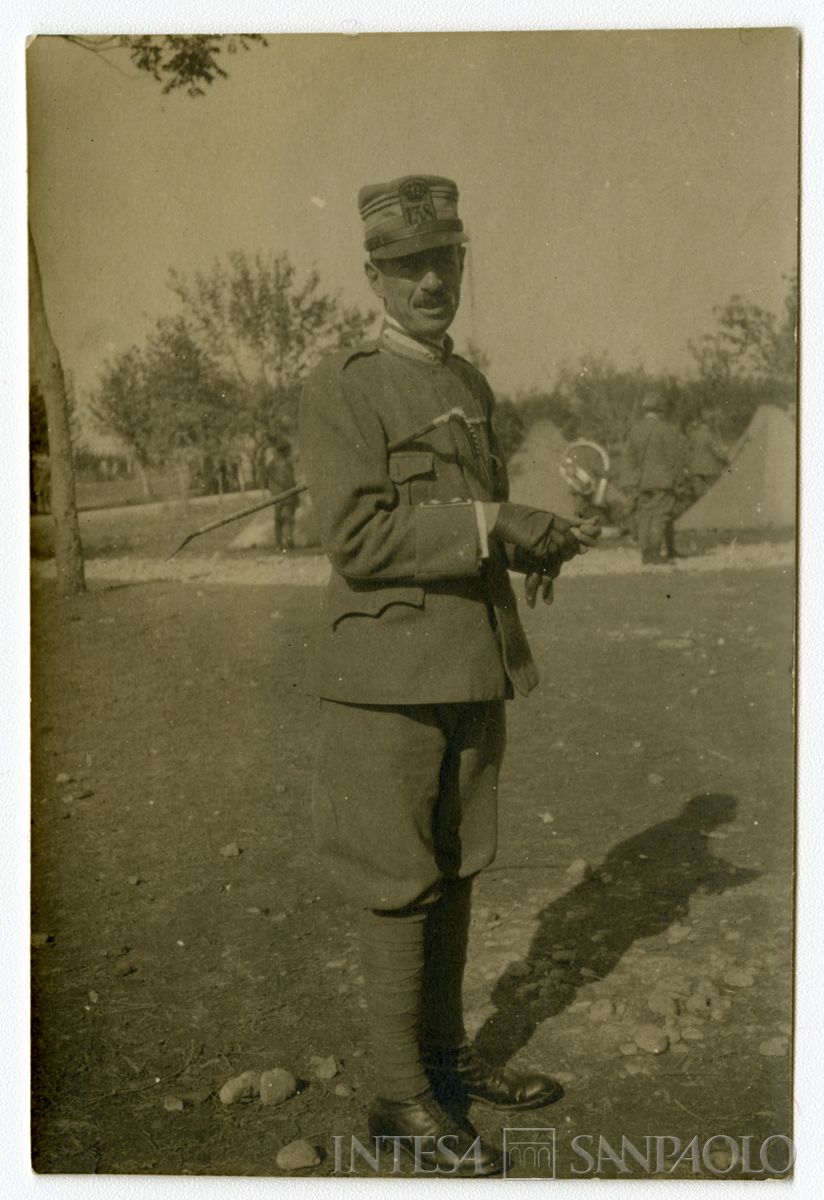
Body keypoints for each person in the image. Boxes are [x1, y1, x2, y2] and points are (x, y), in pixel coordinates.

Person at [299, 174, 599, 1176]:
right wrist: (486, 526)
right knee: (396, 878)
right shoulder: (343, 383)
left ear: (460, 261)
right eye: (406, 266)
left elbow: (479, 524)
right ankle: (396, 1094)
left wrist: (531, 542)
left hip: (471, 660)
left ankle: (442, 1061)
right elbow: (353, 535)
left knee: (459, 862)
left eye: (444, 261)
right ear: (373, 273)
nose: (430, 282)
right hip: (385, 675)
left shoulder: (465, 384)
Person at [624, 392, 687, 565]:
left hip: (641, 481)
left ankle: (646, 554)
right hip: (663, 481)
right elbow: (675, 460)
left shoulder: (634, 430)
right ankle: (654, 553)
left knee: (644, 516)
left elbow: (629, 459)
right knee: (660, 516)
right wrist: (679, 484)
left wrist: (632, 482)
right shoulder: (667, 430)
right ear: (661, 409)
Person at [685, 411, 728, 500]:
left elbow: (687, 450)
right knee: (718, 493)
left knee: (700, 497)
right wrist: (725, 459)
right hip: (710, 469)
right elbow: (717, 452)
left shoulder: (692, 434)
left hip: (695, 470)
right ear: (709, 423)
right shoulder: (709, 434)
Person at [264, 441, 297, 551]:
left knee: (278, 521)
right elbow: (289, 481)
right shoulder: (285, 464)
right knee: (287, 520)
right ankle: (288, 544)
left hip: (277, 496)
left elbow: (267, 479)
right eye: (288, 450)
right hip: (287, 495)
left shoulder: (271, 464)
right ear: (284, 451)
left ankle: (279, 545)